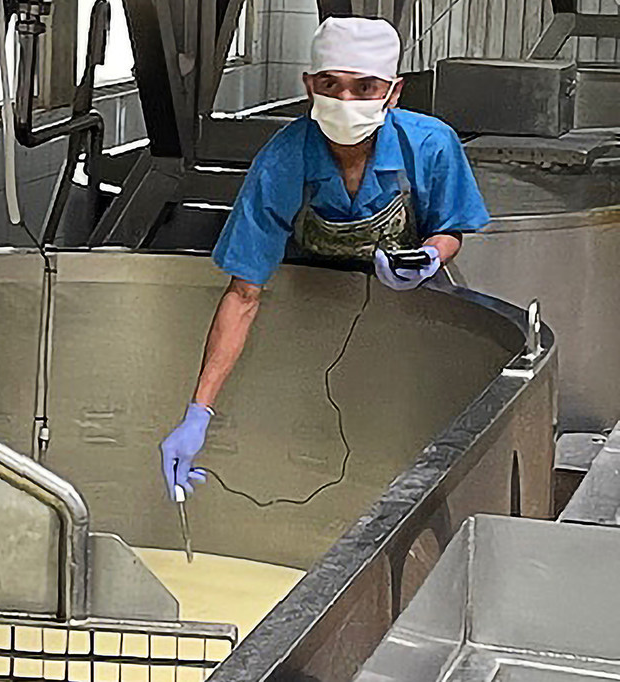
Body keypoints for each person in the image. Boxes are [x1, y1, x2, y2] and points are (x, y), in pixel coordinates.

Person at [160, 16, 489, 499]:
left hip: (413, 314)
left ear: (393, 93)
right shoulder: (284, 159)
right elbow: (244, 292)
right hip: (312, 310)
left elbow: (450, 226)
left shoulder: (430, 145)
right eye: (331, 85)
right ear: (309, 85)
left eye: (366, 87)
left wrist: (428, 257)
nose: (346, 101)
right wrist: (197, 413)